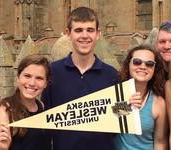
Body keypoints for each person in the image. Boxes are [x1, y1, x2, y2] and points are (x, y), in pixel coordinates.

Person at [41, 7, 125, 150]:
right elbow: (44, 120)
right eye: (78, 30)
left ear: (98, 34)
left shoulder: (112, 75)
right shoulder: (53, 72)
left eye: (90, 30)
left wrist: (130, 105)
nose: (84, 36)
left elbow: (122, 118)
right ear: (68, 34)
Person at [0, 54, 52, 150]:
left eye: (39, 78)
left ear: (46, 83)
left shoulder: (41, 106)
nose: (32, 83)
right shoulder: (5, 111)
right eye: (27, 76)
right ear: (18, 78)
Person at [115, 45, 168, 150]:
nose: (143, 66)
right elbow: (105, 120)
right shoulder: (115, 93)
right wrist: (125, 106)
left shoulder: (159, 103)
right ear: (128, 65)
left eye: (149, 64)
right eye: (137, 62)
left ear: (154, 69)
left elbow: (160, 142)